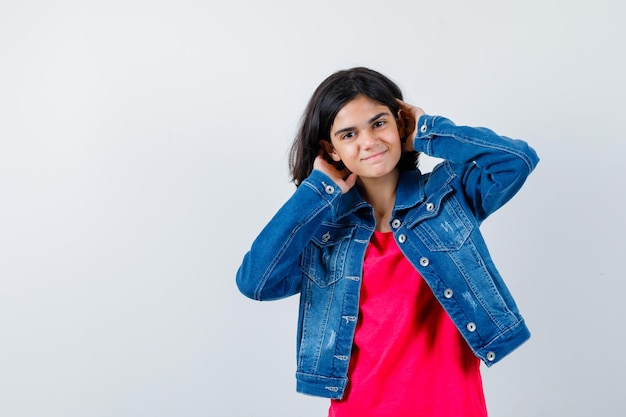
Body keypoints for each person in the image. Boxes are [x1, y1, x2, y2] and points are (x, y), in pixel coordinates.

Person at [236, 67, 539, 416]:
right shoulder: (325, 233)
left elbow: (516, 161)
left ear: (399, 123)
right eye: (348, 134)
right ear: (330, 149)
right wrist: (318, 191)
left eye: (379, 124)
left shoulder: (448, 197)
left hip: (453, 406)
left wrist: (427, 131)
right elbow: (255, 282)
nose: (369, 141)